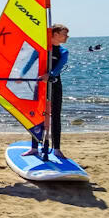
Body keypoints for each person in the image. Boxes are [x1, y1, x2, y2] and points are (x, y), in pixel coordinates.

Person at [23, 24, 70, 159]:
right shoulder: (41, 49)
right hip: (41, 85)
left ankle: (57, 149)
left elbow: (58, 69)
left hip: (55, 85)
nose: (67, 37)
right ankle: (33, 148)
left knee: (55, 115)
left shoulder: (63, 52)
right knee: (37, 114)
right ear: (55, 34)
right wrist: (21, 76)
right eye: (64, 34)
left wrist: (49, 75)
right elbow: (30, 63)